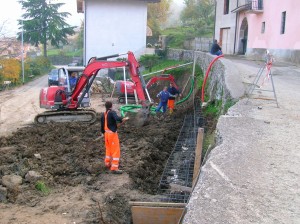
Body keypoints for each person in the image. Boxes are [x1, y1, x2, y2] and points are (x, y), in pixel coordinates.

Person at [100, 101, 129, 174]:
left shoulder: (103, 114)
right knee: (116, 150)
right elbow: (117, 118)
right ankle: (114, 167)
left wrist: (103, 133)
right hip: (112, 135)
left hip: (106, 134)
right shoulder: (112, 112)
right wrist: (123, 119)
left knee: (108, 149)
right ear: (111, 106)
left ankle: (107, 163)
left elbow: (102, 125)